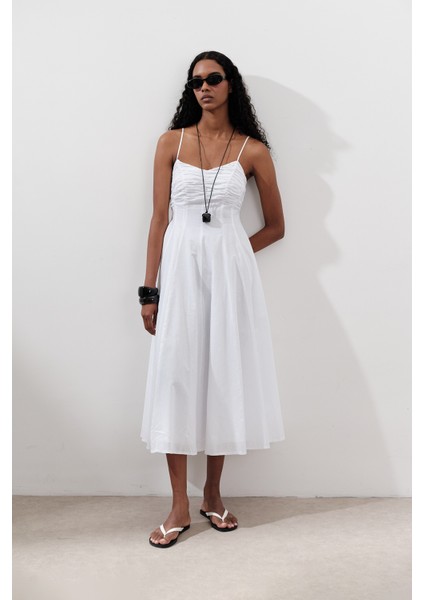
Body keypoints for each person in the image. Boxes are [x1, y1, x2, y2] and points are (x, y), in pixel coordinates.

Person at [139, 50, 285, 548]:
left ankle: (214, 495)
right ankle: (179, 503)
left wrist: (232, 255)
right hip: (179, 275)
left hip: (229, 280)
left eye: (213, 78)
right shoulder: (170, 143)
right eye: (196, 80)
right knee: (176, 377)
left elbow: (276, 227)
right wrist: (149, 290)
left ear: (230, 85)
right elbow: (159, 220)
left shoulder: (253, 151)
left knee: (222, 374)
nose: (204, 87)